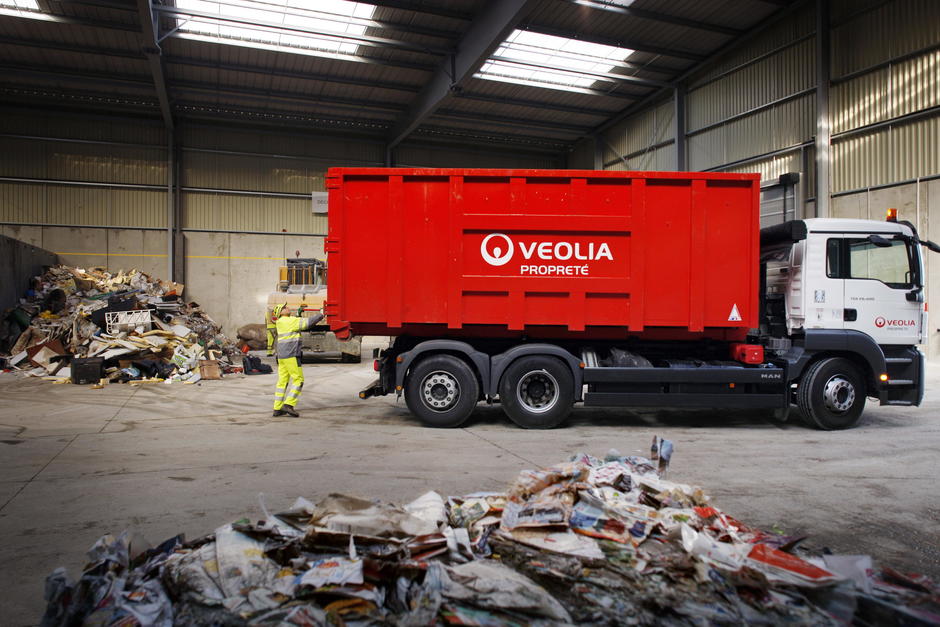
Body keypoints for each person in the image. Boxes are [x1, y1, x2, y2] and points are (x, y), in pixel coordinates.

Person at [271, 303, 323, 417]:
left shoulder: (281, 322)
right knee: (299, 380)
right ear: (280, 313)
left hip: (282, 356)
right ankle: (288, 404)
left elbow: (295, 323)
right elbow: (307, 323)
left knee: (282, 381)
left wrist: (298, 314)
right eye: (285, 308)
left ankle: (277, 407)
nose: (288, 307)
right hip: (291, 354)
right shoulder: (289, 321)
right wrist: (321, 314)